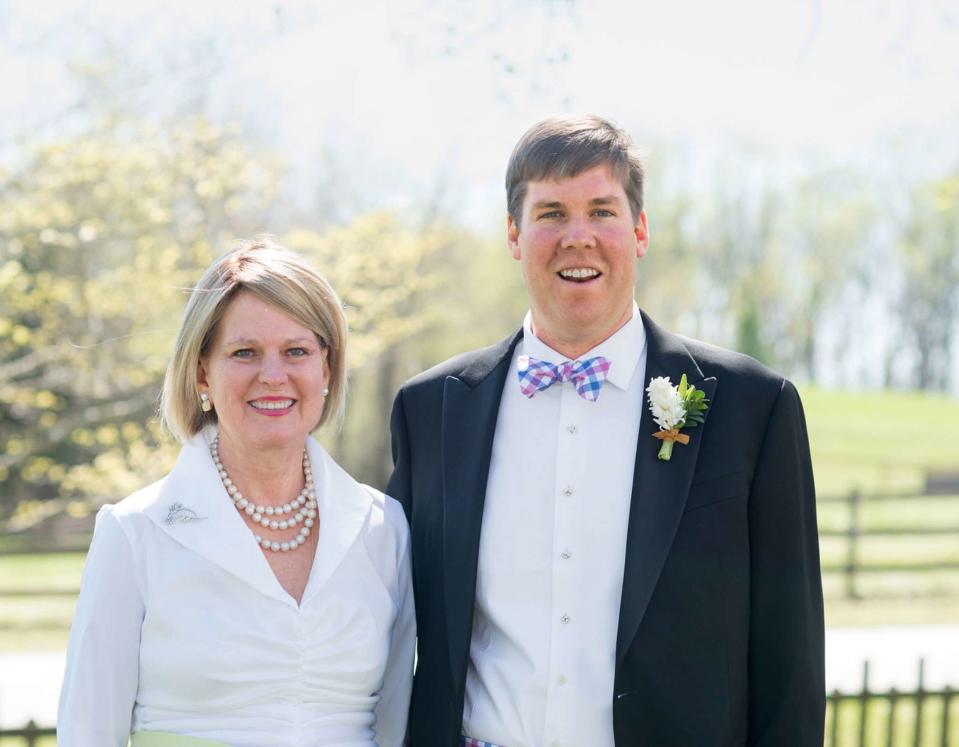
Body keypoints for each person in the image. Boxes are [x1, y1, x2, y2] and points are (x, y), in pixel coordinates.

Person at [387, 115, 825, 746]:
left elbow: (792, 661)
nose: (578, 237)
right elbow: (401, 629)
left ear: (639, 229)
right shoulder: (432, 412)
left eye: (601, 210)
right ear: (514, 234)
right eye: (551, 214)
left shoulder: (753, 410)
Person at [58, 240, 414, 747]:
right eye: (244, 352)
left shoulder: (384, 528)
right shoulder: (136, 532)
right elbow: (87, 732)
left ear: (326, 369)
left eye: (297, 351)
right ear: (202, 370)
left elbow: (398, 724)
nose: (273, 376)